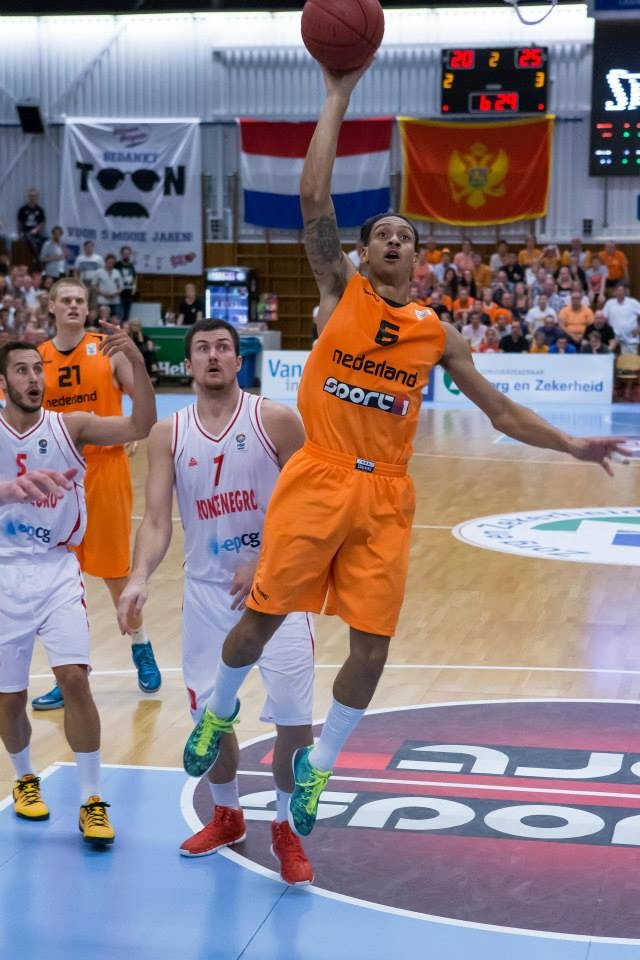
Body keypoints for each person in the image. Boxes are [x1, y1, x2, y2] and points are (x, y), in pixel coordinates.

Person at [181, 60, 626, 841]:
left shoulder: (436, 334)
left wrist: (570, 444)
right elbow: (313, 198)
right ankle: (218, 713)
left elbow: (500, 411)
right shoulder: (339, 292)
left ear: (418, 260)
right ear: (361, 253)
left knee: (374, 649)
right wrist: (337, 94)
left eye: (407, 237)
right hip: (319, 476)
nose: (394, 240)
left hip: (386, 493)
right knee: (260, 621)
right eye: (383, 234)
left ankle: (322, 764)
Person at [117, 318, 315, 884]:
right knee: (209, 716)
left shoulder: (275, 420)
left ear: (238, 360)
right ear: (188, 363)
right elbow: (157, 519)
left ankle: (285, 828)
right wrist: (138, 576)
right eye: (202, 348)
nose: (212, 356)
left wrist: (267, 558)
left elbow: (311, 505)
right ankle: (227, 814)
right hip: (206, 594)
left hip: (279, 591)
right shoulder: (168, 433)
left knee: (294, 721)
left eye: (222, 348)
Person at [0, 327, 155, 843]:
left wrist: (138, 367)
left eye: (37, 369)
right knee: (9, 698)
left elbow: (140, 424)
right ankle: (25, 778)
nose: (33, 378)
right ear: (4, 382)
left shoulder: (72, 426)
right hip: (3, 571)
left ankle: (91, 798)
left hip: (56, 568)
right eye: (21, 370)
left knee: (74, 679)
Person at [32, 278, 161, 711]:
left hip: (104, 470)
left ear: (87, 307)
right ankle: (69, 673)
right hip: (55, 478)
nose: (73, 306)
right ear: (51, 307)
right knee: (58, 580)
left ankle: (141, 645)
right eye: (65, 300)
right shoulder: (37, 359)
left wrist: (133, 429)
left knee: (115, 573)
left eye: (80, 301)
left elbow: (141, 400)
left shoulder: (107, 349)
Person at [603, 282, 640, 354]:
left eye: (622, 290)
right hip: (613, 339)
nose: (620, 293)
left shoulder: (633, 302)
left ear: (625, 292)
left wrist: (638, 326)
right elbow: (603, 318)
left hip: (630, 339)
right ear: (614, 292)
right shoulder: (609, 303)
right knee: (610, 357)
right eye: (618, 290)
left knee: (630, 360)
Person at [16, 188, 46, 264]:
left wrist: (36, 229)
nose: (33, 198)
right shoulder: (23, 209)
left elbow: (42, 223)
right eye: (31, 196)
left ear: (37, 197)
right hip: (25, 232)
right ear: (28, 197)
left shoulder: (40, 210)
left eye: (34, 196)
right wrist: (19, 235)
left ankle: (40, 259)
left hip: (36, 233)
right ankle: (37, 259)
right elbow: (19, 223)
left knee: (46, 240)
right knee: (29, 238)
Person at [95, 253, 124, 322]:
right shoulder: (99, 272)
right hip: (102, 300)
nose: (110, 264)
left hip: (115, 300)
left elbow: (121, 287)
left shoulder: (117, 272)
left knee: (116, 319)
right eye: (109, 262)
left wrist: (114, 293)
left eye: (112, 262)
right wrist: (104, 293)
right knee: (103, 319)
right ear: (105, 262)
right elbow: (94, 286)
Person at [115, 246, 137, 324]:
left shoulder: (131, 265)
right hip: (120, 293)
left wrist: (134, 287)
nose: (126, 255)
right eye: (125, 253)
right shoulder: (117, 264)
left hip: (129, 293)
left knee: (127, 315)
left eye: (128, 253)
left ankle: (125, 329)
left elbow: (134, 276)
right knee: (120, 314)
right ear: (121, 254)